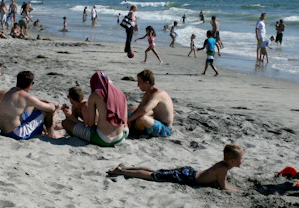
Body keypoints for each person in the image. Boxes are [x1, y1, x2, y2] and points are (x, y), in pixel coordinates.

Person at [107, 144, 245, 192]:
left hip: (190, 171)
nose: (242, 161)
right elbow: (223, 187)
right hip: (188, 177)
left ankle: (128, 168)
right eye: (241, 159)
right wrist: (238, 191)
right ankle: (122, 171)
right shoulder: (223, 169)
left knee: (157, 172)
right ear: (232, 161)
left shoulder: (222, 165)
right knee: (154, 176)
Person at [62, 71, 128, 147]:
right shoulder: (121, 94)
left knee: (66, 123)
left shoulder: (95, 95)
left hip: (103, 138)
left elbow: (90, 124)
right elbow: (125, 123)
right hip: (121, 137)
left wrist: (71, 117)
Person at [0, 71, 61, 140]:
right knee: (45, 111)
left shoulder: (12, 91)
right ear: (30, 85)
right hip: (17, 133)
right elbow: (51, 109)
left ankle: (44, 128)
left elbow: (34, 100)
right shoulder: (27, 97)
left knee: (32, 105)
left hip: (4, 131)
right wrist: (53, 105)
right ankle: (51, 134)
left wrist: (46, 102)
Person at [128, 69, 173, 137]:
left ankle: (138, 133)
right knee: (132, 113)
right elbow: (140, 108)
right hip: (156, 123)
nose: (138, 85)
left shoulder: (158, 94)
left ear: (147, 82)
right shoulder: (148, 93)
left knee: (141, 119)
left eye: (139, 82)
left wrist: (128, 120)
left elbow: (144, 110)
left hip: (165, 129)